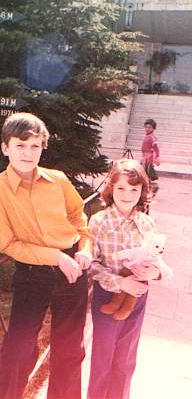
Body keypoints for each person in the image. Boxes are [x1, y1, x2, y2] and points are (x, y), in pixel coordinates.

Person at [0, 112, 92, 399]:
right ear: (5, 147)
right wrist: (56, 257)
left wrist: (85, 249)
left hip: (73, 270)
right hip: (32, 274)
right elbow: (9, 244)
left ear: (43, 147)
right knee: (19, 347)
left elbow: (79, 217)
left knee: (69, 350)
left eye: (35, 146)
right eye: (20, 145)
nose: (28, 153)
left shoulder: (59, 180)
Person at [87, 159, 166, 399]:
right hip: (107, 295)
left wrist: (156, 273)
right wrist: (119, 282)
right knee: (103, 357)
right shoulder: (99, 222)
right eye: (121, 188)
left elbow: (156, 258)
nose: (127, 195)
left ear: (143, 191)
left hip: (137, 297)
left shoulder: (146, 222)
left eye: (134, 189)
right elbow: (91, 264)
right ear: (111, 188)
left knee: (126, 358)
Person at [141, 118, 160, 194]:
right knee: (143, 172)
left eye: (150, 127)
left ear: (153, 128)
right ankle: (146, 188)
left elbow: (156, 148)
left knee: (147, 173)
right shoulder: (146, 136)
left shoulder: (152, 137)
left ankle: (150, 188)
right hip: (144, 156)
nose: (147, 129)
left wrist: (157, 157)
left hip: (149, 157)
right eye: (146, 127)